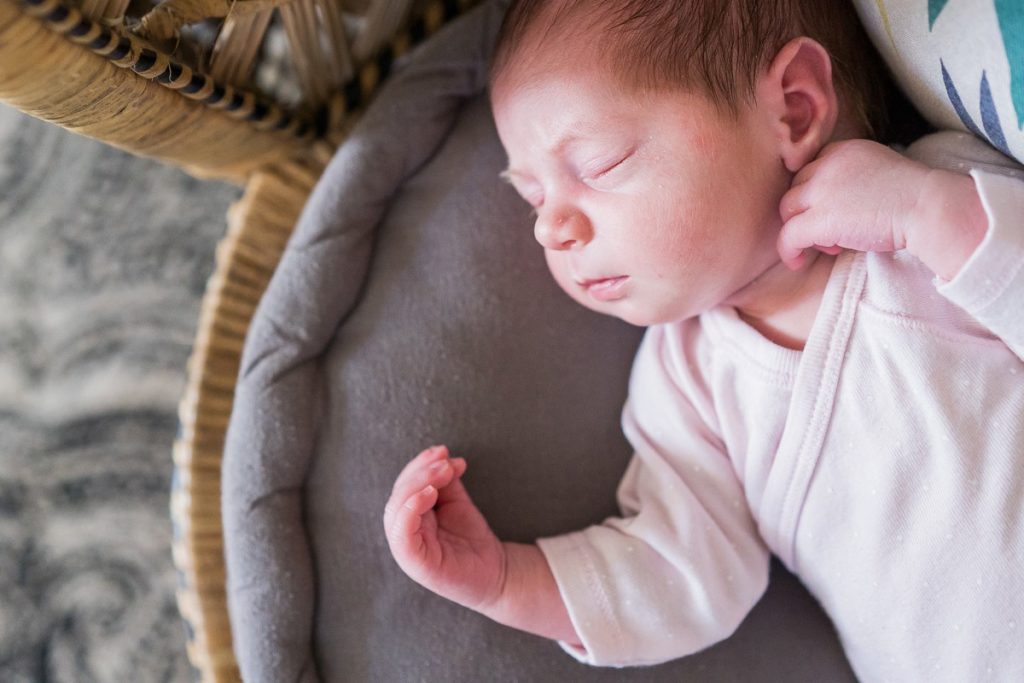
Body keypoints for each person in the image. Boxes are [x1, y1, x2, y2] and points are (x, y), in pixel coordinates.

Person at [383, 0, 1024, 679]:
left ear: (794, 111)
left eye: (600, 164)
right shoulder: (690, 380)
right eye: (533, 197)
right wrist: (509, 580)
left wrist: (931, 212)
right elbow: (675, 566)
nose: (551, 228)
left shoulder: (939, 209)